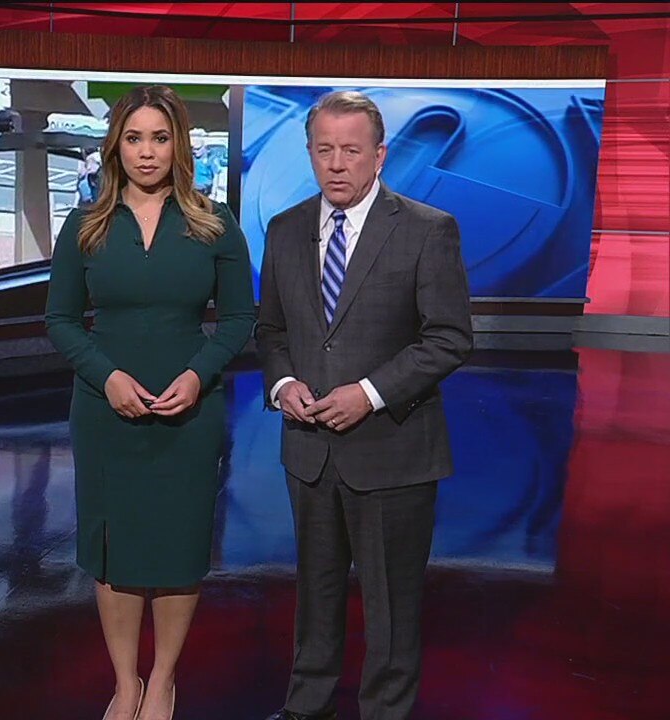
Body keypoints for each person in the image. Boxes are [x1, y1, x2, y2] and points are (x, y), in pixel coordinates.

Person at [255, 90, 474, 720]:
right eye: (324, 150)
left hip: (393, 451)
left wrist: (370, 394)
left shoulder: (428, 230)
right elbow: (272, 331)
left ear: (379, 156)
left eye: (351, 151)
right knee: (315, 593)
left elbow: (449, 338)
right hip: (310, 453)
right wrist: (283, 384)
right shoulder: (286, 229)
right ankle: (308, 705)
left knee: (392, 604)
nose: (336, 164)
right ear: (309, 152)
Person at [45, 85, 256, 720]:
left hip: (188, 413)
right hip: (104, 412)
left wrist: (198, 375)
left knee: (177, 547)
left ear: (178, 146)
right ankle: (125, 683)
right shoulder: (85, 225)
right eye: (133, 138)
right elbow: (60, 320)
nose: (146, 152)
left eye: (159, 138)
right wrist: (106, 376)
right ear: (116, 147)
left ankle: (162, 681)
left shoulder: (214, 224)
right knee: (114, 550)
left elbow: (240, 319)